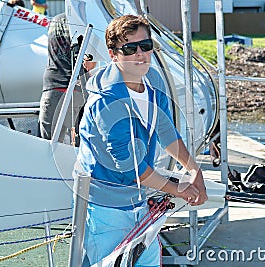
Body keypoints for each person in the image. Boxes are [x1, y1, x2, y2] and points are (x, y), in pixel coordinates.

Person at [74, 15, 208, 266]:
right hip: (104, 207)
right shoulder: (106, 101)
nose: (140, 55)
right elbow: (132, 167)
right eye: (130, 48)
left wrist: (193, 168)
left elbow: (166, 132)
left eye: (145, 46)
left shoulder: (153, 82)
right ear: (113, 55)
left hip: (138, 200)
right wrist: (179, 188)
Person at [38, 13, 89, 144]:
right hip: (78, 88)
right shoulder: (83, 21)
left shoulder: (55, 20)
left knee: (48, 143)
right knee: (80, 142)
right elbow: (86, 59)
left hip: (54, 85)